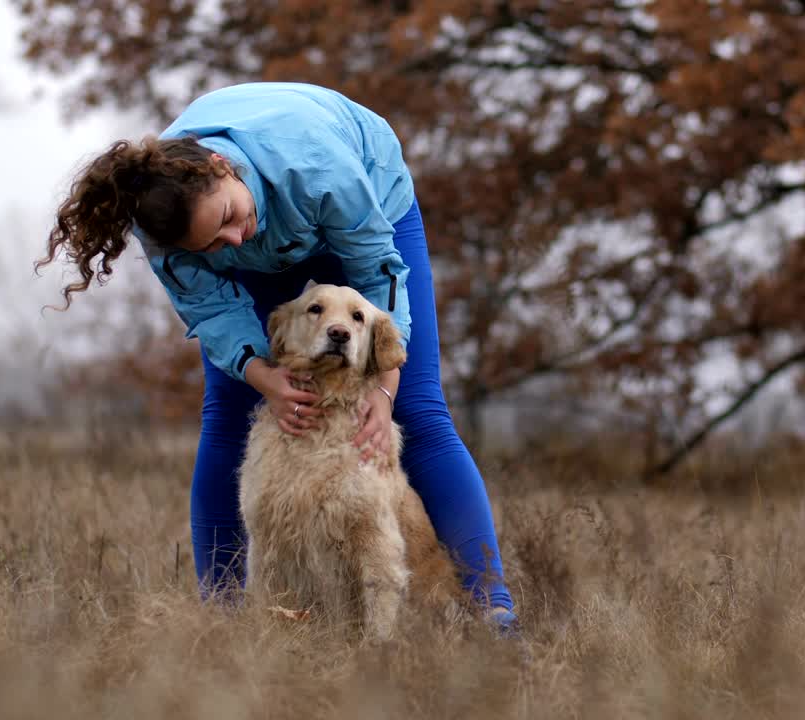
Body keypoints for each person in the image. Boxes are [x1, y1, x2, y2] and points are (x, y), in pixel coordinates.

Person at [38, 82, 518, 634]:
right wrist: (264, 375)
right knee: (229, 412)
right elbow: (218, 316)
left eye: (228, 215)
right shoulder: (167, 224)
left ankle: (494, 613)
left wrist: (383, 390)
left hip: (363, 206)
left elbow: (377, 280)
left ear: (222, 167)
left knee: (418, 409)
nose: (234, 239)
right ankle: (223, 618)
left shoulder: (315, 164)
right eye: (212, 244)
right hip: (276, 227)